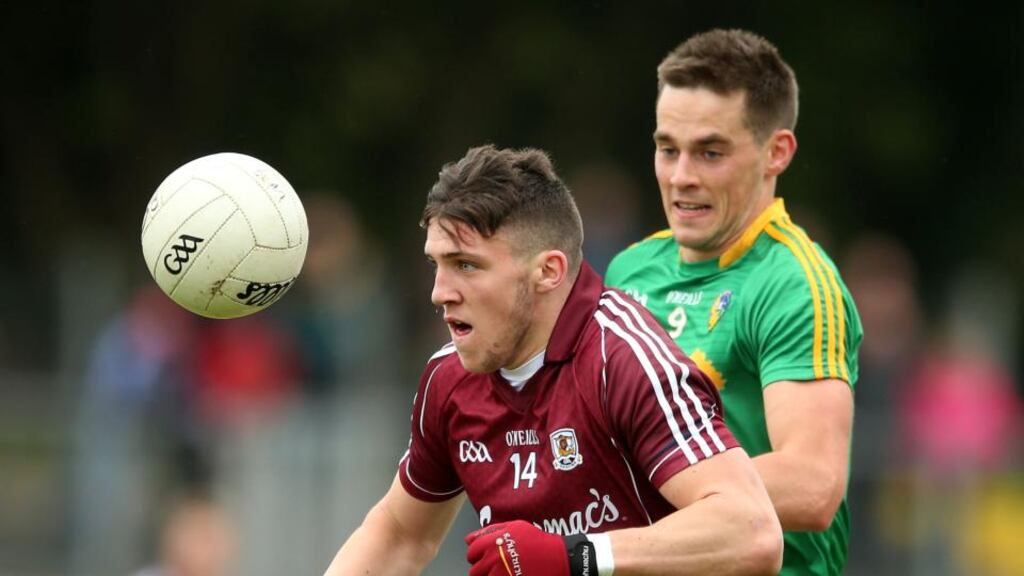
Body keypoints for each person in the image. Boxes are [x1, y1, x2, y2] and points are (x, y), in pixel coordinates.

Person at [324, 144, 782, 575]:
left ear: (548, 271)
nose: (439, 293)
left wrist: (577, 556)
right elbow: (401, 534)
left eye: (466, 265)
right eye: (436, 264)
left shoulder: (623, 360)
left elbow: (753, 530)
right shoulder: (451, 376)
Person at [605, 29, 863, 576]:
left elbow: (815, 484)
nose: (681, 177)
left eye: (710, 152)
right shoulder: (629, 271)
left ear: (777, 152)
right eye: (667, 149)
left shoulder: (795, 282)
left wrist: (648, 481)